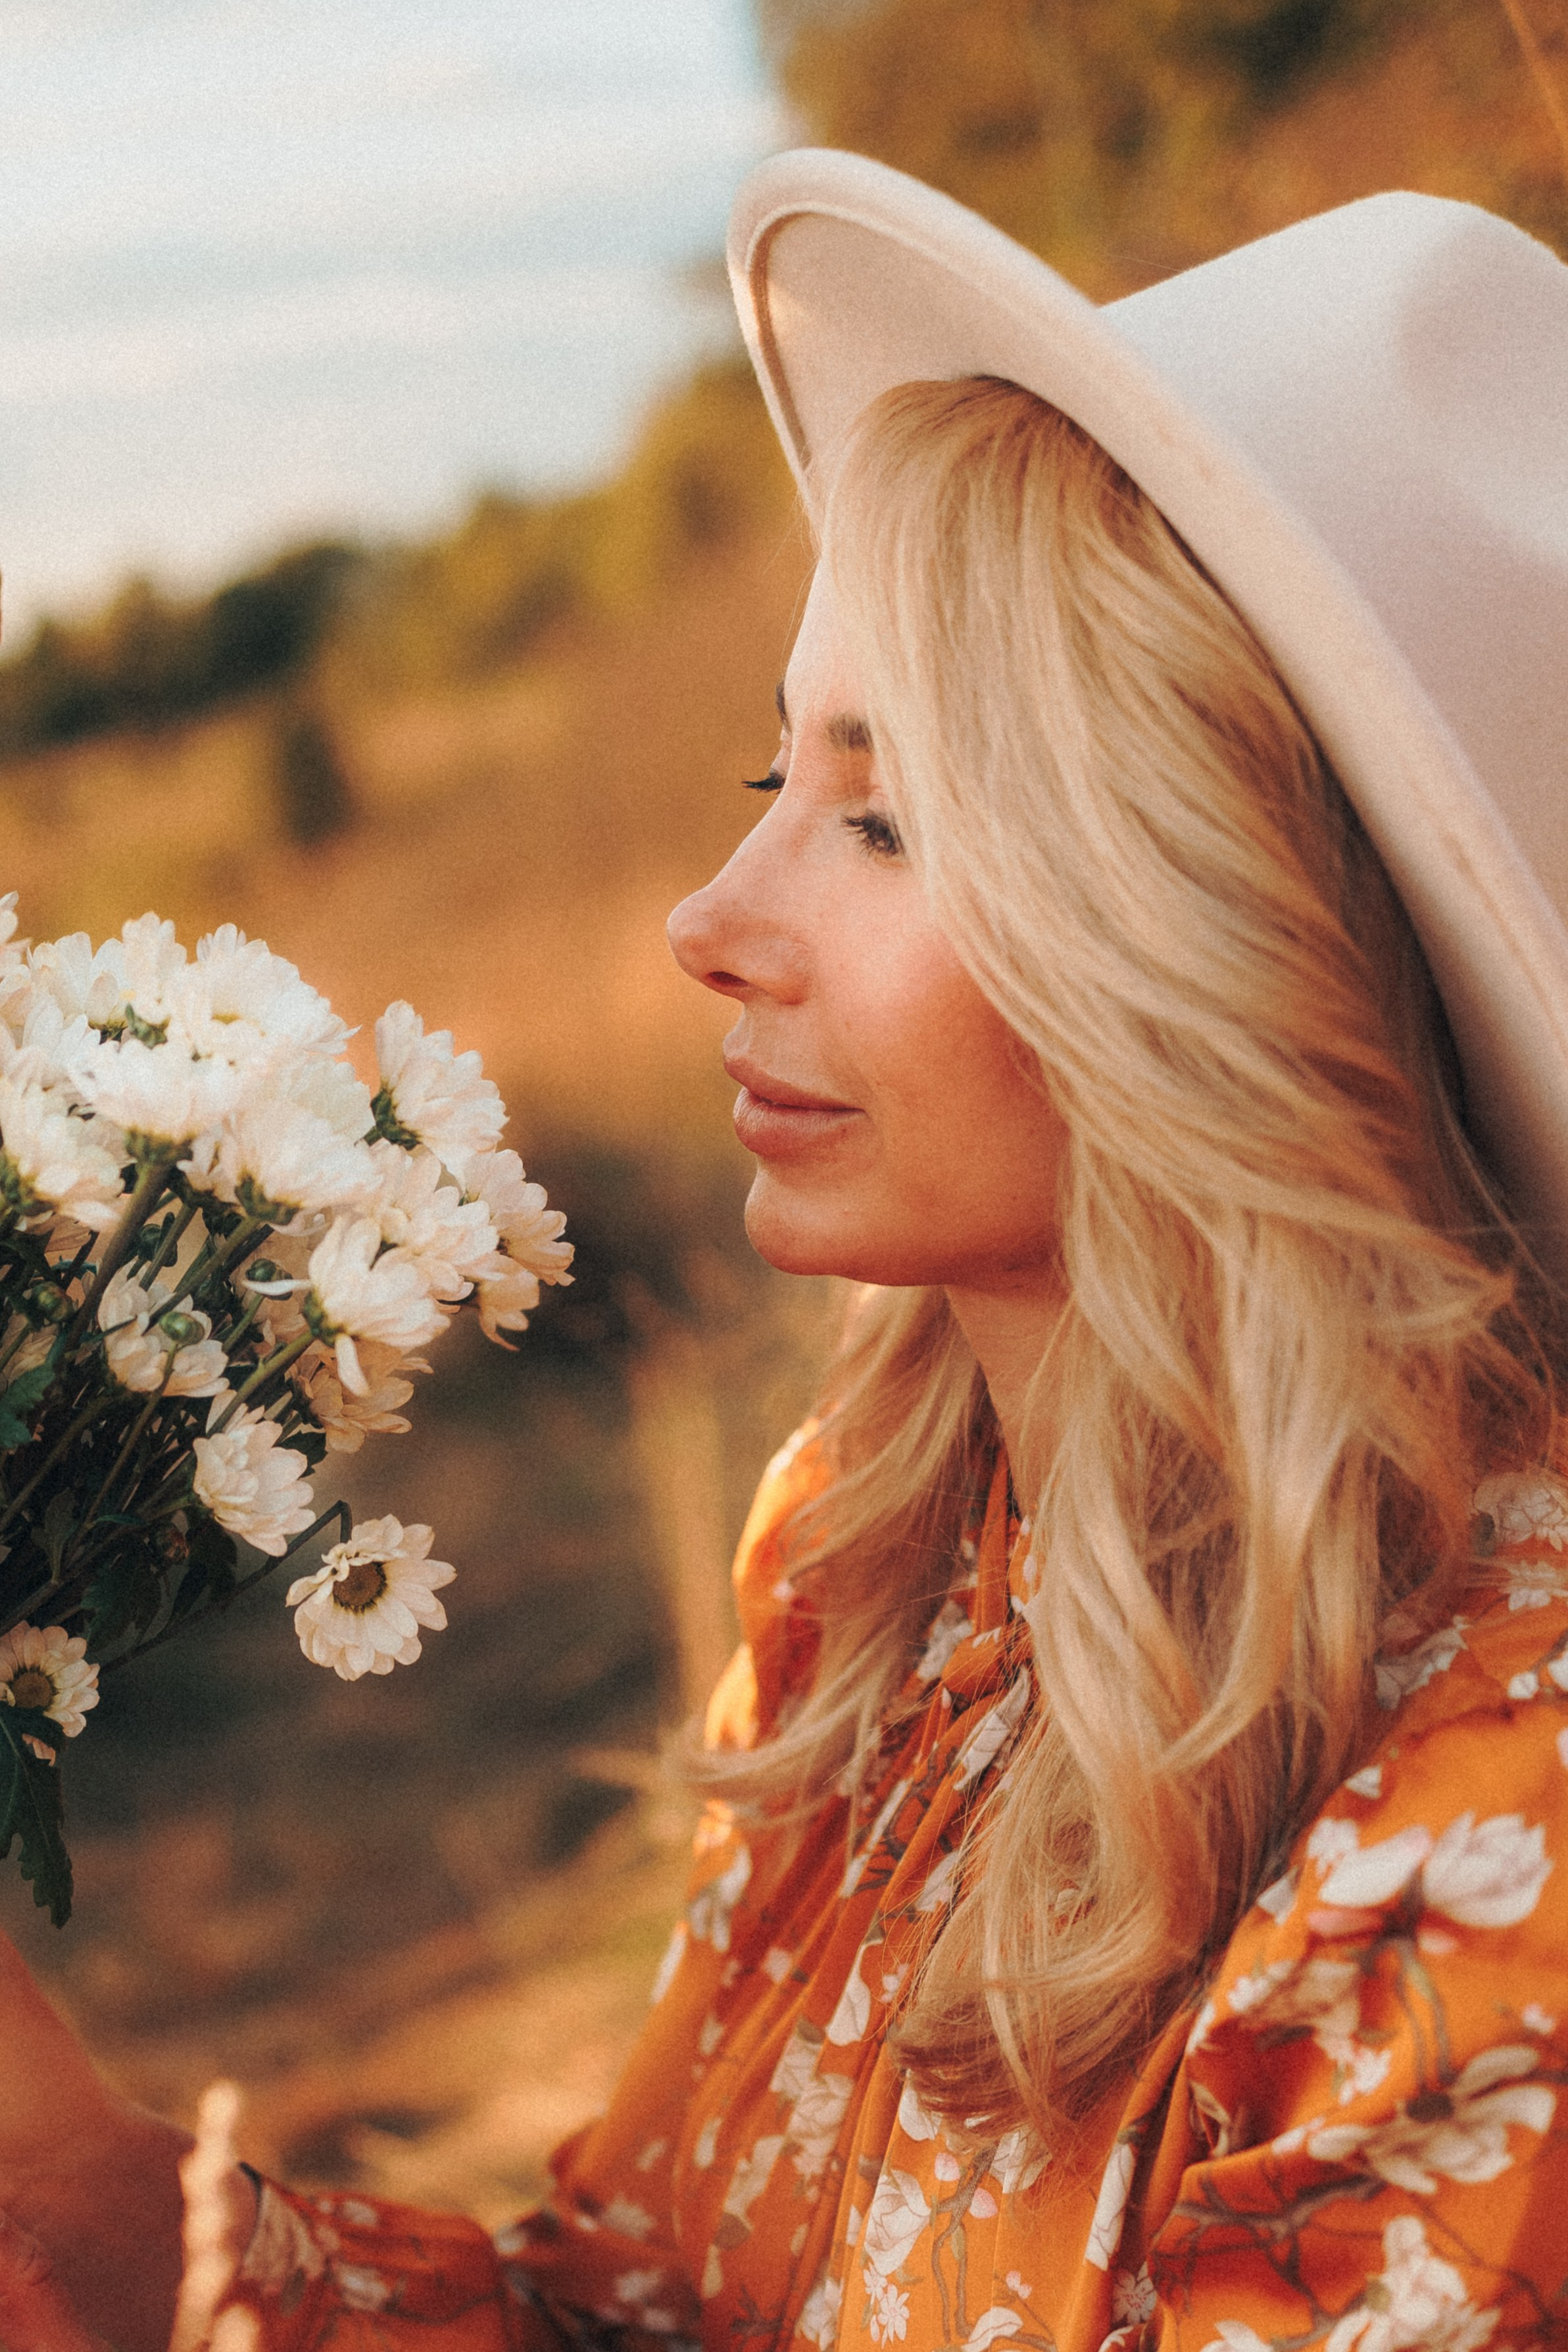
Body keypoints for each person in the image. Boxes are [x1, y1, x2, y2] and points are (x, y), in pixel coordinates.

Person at [3, 147, 1568, 2352]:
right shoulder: (873, 1561)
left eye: (887, 817)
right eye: (774, 786)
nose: (711, 924)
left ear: (1221, 932)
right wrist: (73, 2186)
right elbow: (642, 2312)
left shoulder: (1498, 1812)